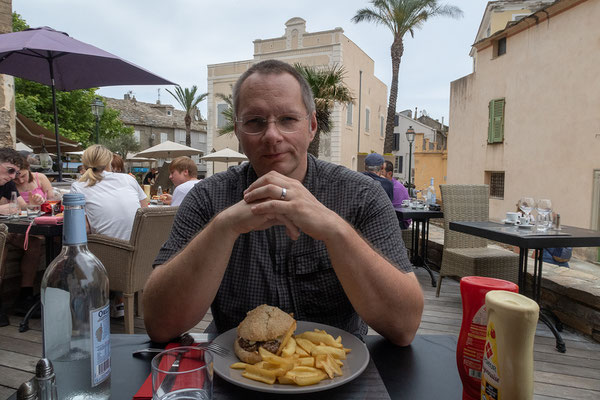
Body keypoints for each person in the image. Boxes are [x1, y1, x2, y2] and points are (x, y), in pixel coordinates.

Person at [143, 59, 423, 345]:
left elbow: (404, 327)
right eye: (255, 122)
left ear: (312, 126)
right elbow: (159, 324)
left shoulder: (362, 195)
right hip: (234, 367)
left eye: (288, 120)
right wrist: (222, 227)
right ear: (238, 132)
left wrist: (335, 230)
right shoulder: (207, 197)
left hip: (339, 370)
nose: (272, 135)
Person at [71, 145, 149, 241]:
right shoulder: (129, 179)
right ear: (109, 161)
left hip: (107, 250)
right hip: (140, 249)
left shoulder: (78, 187)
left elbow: (82, 229)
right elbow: (146, 213)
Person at [0, 148, 42, 323]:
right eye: (10, 170)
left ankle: (25, 296)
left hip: (5, 231)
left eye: (16, 172)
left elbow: (22, 206)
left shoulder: (7, 184)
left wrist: (32, 204)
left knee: (33, 243)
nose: (13, 176)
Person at [382, 160, 411, 229]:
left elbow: (394, 212)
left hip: (400, 222)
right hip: (392, 219)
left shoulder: (396, 188)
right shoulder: (386, 185)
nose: (379, 175)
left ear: (389, 174)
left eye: (382, 173)